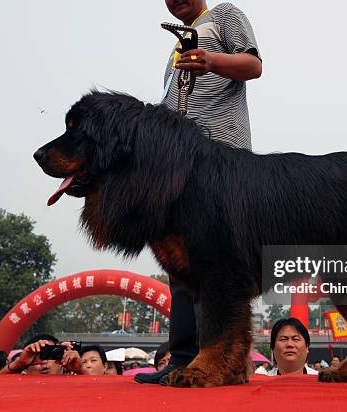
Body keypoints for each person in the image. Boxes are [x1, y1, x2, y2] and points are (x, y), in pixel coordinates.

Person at [136, 0, 262, 385]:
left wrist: (210, 60)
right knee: (181, 264)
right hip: (179, 170)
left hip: (220, 159)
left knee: (215, 263)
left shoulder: (224, 15)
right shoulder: (173, 51)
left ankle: (219, 359)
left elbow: (254, 66)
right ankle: (184, 359)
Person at [1, 334, 81, 375]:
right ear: (25, 368)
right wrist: (18, 365)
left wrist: (80, 370)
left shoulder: (74, 383)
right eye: (39, 356)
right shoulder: (17, 386)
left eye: (50, 354)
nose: (44, 362)